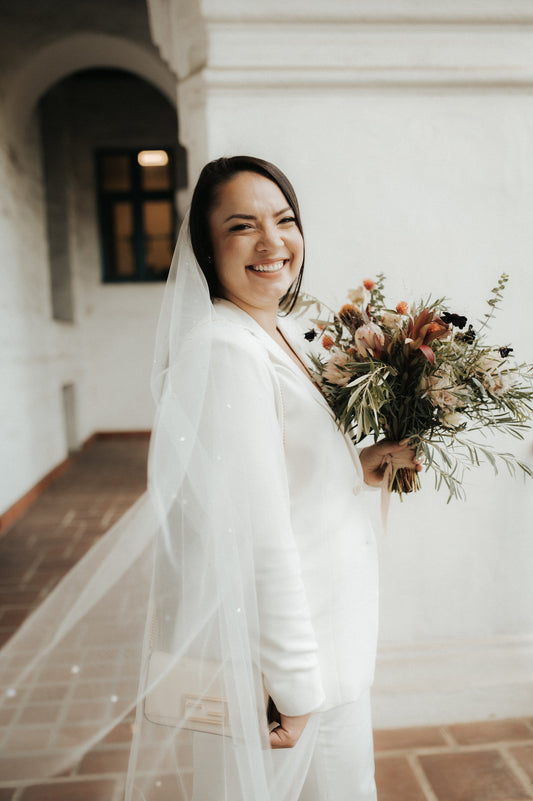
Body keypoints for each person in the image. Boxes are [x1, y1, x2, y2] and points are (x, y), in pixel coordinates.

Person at [0, 155, 419, 801]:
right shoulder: (225, 350)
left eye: (283, 220)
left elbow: (275, 476)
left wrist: (355, 466)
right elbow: (256, 533)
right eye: (241, 226)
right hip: (291, 664)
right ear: (205, 247)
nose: (271, 242)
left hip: (332, 639)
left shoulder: (276, 332)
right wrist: (296, 685)